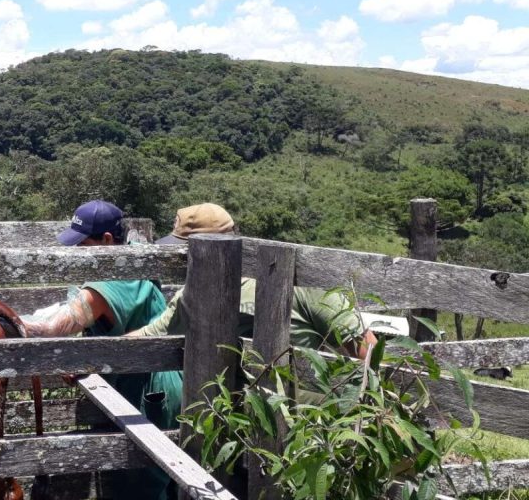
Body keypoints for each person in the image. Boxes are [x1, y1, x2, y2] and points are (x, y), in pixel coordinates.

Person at [23, 200, 180, 500]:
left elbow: (57, 326)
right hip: (155, 382)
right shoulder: (135, 258)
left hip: (149, 395)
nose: (76, 253)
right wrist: (91, 358)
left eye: (83, 244)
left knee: (139, 487)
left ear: (107, 241)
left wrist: (7, 324)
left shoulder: (114, 278)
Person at [132, 203, 377, 359]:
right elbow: (147, 337)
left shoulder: (302, 284)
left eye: (186, 255)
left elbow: (366, 352)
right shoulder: (189, 297)